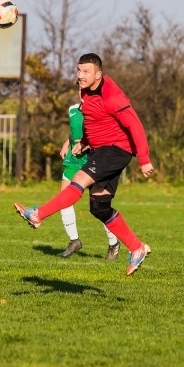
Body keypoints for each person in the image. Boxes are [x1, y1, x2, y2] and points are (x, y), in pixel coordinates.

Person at [14, 53, 154, 276]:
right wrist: (85, 142)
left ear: (98, 74)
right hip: (101, 150)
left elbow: (135, 125)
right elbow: (94, 120)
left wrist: (144, 159)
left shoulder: (113, 97)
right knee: (99, 206)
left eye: (86, 71)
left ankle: (38, 214)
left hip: (116, 150)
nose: (80, 76)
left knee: (78, 179)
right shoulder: (86, 93)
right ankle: (136, 247)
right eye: (79, 70)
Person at [58, 101, 121, 260]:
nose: (82, 91)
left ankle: (113, 243)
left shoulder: (100, 109)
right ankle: (74, 240)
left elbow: (105, 133)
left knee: (99, 206)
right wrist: (67, 144)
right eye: (79, 87)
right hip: (74, 161)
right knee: (63, 200)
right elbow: (74, 132)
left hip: (94, 160)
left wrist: (88, 144)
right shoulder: (72, 109)